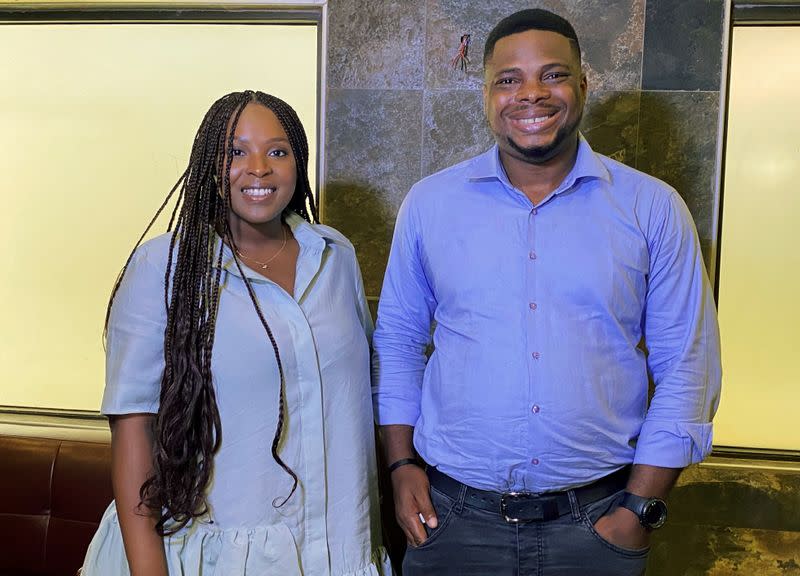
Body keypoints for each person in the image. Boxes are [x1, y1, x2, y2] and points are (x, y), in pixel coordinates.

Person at [371, 9, 721, 576]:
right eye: (508, 80)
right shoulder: (430, 205)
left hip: (598, 526)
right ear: (486, 93)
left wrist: (637, 509)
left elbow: (688, 366)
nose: (530, 94)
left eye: (552, 75)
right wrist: (401, 466)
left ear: (583, 84)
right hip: (451, 523)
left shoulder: (652, 208)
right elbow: (400, 341)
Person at [81, 90, 392, 576]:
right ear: (210, 164)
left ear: (298, 162)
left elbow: (360, 394)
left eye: (278, 151)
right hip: (209, 555)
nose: (259, 168)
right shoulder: (163, 269)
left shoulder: (335, 256)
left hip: (338, 549)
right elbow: (132, 428)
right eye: (235, 152)